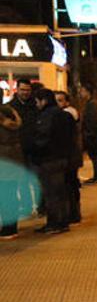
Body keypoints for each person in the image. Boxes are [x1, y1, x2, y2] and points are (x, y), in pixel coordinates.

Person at [32, 88, 75, 234]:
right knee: (60, 191)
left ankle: (54, 223)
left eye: (37, 101)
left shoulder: (46, 117)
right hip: (62, 158)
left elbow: (42, 139)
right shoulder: (64, 115)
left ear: (43, 101)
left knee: (51, 193)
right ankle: (63, 221)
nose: (36, 104)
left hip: (49, 159)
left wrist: (35, 153)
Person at [8, 79, 40, 215]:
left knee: (37, 180)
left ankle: (41, 207)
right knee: (22, 181)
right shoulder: (10, 107)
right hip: (19, 150)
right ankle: (26, 207)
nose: (25, 93)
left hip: (35, 149)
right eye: (23, 90)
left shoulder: (36, 106)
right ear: (17, 90)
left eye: (28, 90)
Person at [56, 91, 82, 224]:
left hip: (70, 156)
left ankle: (72, 214)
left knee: (70, 185)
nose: (58, 103)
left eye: (60, 100)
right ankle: (74, 213)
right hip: (72, 156)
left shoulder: (67, 115)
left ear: (67, 102)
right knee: (72, 184)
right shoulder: (68, 114)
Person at [0, 104, 24, 239]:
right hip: (14, 158)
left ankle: (7, 228)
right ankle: (12, 226)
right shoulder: (13, 115)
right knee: (11, 193)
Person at [80, 84, 97, 184]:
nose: (81, 93)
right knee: (94, 156)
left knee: (94, 155)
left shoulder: (92, 104)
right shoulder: (90, 103)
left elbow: (93, 121)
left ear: (87, 92)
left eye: (82, 91)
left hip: (92, 135)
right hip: (92, 134)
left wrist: (89, 134)